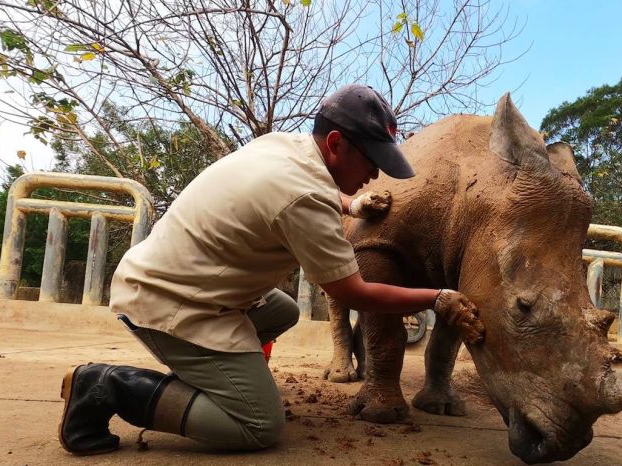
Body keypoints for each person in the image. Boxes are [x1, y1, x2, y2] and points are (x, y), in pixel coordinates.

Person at [58, 84, 485, 456]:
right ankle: (107, 387)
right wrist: (436, 298)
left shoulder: (285, 146)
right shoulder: (304, 197)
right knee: (257, 426)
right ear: (336, 144)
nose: (375, 174)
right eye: (371, 160)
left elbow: (300, 192)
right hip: (167, 304)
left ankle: (207, 381)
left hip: (172, 279)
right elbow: (355, 292)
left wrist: (350, 204)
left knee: (282, 310)